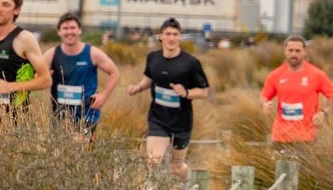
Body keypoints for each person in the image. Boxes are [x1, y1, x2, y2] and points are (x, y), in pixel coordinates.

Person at [125, 17, 211, 176]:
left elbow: (204, 91)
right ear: (160, 37)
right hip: (158, 118)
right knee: (153, 163)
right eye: (168, 34)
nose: (171, 38)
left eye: (175, 34)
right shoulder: (153, 58)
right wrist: (138, 87)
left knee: (176, 167)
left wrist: (186, 93)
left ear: (180, 37)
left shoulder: (191, 63)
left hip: (182, 121)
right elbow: (149, 78)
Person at [41, 12, 119, 131]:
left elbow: (114, 72)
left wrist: (104, 96)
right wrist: (46, 79)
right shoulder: (51, 54)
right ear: (59, 32)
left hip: (87, 115)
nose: (69, 32)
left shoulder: (92, 53)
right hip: (60, 116)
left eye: (73, 28)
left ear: (79, 30)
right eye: (65, 28)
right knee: (61, 149)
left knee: (81, 147)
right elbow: (38, 77)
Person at [261, 33, 333, 149]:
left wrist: (323, 113)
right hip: (280, 137)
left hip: (306, 138)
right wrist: (265, 104)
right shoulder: (275, 75)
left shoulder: (317, 75)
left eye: (298, 51)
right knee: (279, 167)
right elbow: (264, 96)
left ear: (305, 52)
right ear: (285, 51)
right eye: (290, 50)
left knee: (303, 167)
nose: (294, 54)